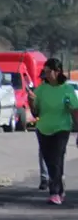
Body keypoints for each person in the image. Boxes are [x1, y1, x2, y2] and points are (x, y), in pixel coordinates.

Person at [27, 58, 78, 205]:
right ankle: (59, 186)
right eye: (45, 72)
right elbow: (36, 112)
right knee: (50, 161)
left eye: (49, 72)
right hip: (43, 129)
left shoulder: (67, 89)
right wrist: (31, 101)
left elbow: (75, 111)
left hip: (62, 129)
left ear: (58, 71)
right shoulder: (42, 89)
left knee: (57, 158)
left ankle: (55, 192)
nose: (47, 75)